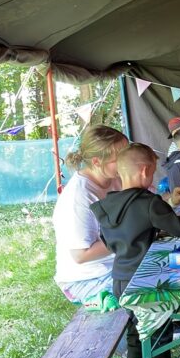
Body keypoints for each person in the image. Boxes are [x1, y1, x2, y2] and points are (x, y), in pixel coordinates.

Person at [91, 143, 180, 358]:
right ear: (145, 170)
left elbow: (108, 241)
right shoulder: (149, 202)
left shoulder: (106, 205)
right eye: (153, 171)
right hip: (145, 280)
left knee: (136, 330)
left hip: (120, 279)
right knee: (158, 335)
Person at [52, 125, 128, 308]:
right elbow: (81, 255)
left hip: (116, 263)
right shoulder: (79, 196)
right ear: (96, 162)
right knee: (145, 288)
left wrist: (171, 200)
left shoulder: (115, 178)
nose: (128, 160)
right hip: (86, 279)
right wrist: (128, 237)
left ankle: (172, 321)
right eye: (121, 158)